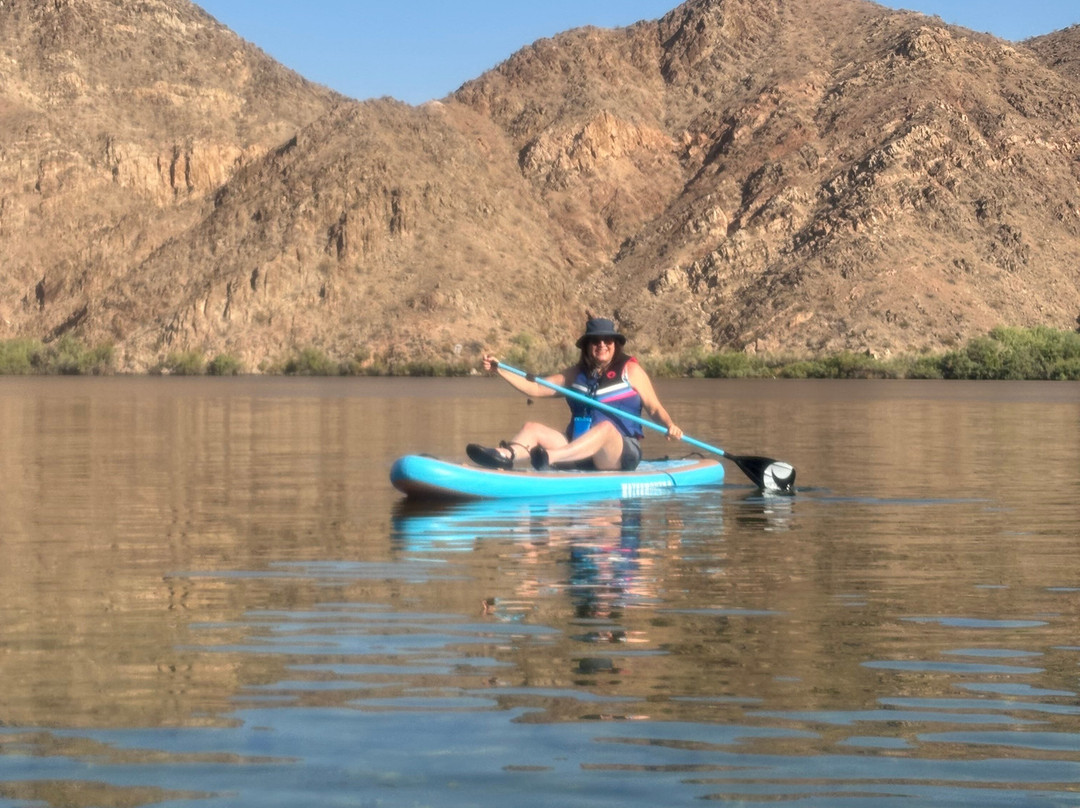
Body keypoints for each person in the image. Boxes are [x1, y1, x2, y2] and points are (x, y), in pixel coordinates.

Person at [467, 317, 684, 471]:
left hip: (617, 453)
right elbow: (537, 387)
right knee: (531, 428)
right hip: (577, 449)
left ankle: (548, 458)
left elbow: (654, 407)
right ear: (587, 346)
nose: (602, 344)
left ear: (615, 345)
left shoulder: (631, 371)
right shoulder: (574, 374)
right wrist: (500, 370)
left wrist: (669, 424)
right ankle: (505, 456)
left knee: (606, 428)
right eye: (595, 341)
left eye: (607, 340)